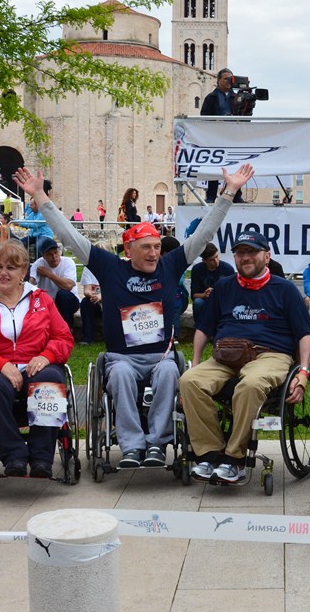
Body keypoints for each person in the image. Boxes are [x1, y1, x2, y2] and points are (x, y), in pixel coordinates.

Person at [15, 163, 251, 468]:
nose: (154, 253)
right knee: (122, 375)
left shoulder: (170, 265)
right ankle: (131, 445)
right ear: (130, 249)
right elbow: (69, 236)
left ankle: (157, 443)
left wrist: (229, 192)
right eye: (146, 248)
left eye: (156, 247)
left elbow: (205, 231)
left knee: (169, 373)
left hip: (161, 356)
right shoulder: (111, 268)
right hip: (122, 358)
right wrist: (40, 196)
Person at [179, 230, 310, 483]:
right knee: (189, 381)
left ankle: (235, 459)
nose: (245, 257)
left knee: (250, 385)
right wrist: (194, 364)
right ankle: (210, 454)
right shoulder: (223, 287)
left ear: (267, 255)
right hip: (226, 355)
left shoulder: (284, 289)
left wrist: (303, 372)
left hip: (270, 355)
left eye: (252, 251)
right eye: (240, 252)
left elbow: (305, 334)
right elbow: (204, 328)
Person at [0, 241, 75, 478]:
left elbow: (63, 338)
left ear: (23, 272)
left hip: (37, 365)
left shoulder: (41, 300)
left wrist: (46, 355)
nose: (3, 273)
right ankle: (14, 456)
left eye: (11, 267)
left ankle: (42, 458)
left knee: (50, 378)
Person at [200, 68, 238, 201]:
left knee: (234, 165)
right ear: (218, 80)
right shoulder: (211, 97)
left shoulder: (237, 97)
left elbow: (245, 117)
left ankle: (236, 195)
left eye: (230, 79)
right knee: (215, 166)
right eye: (225, 79)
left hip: (233, 137)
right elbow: (203, 115)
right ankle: (211, 195)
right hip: (215, 137)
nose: (228, 82)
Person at [29, 238, 80, 331]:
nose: (54, 256)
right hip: (47, 302)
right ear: (43, 256)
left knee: (63, 295)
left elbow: (69, 286)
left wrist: (49, 274)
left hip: (69, 301)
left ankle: (66, 329)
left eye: (56, 252)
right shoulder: (39, 264)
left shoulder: (68, 263)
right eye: (49, 254)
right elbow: (31, 282)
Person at [190, 242, 236, 324]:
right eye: (212, 259)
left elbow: (233, 294)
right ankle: (199, 328)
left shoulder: (228, 269)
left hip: (222, 301)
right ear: (204, 260)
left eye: (217, 256)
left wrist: (217, 293)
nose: (216, 261)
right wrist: (204, 295)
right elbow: (194, 295)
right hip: (205, 300)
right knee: (198, 303)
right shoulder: (197, 269)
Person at [19, 179, 53, 257]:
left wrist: (20, 223)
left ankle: (39, 265)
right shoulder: (34, 213)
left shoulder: (44, 211)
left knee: (38, 246)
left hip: (44, 235)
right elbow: (27, 220)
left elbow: (35, 224)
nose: (30, 207)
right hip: (34, 235)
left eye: (31, 205)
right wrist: (16, 221)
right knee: (19, 243)